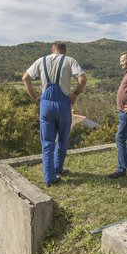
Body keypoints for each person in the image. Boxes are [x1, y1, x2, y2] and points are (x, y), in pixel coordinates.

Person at [23, 41, 87, 186]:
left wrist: (34, 97)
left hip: (45, 105)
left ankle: (49, 177)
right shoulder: (70, 61)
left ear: (52, 50)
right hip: (63, 104)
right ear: (64, 51)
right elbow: (82, 79)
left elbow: (25, 78)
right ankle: (58, 167)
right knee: (63, 138)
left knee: (47, 142)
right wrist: (75, 94)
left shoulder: (41, 61)